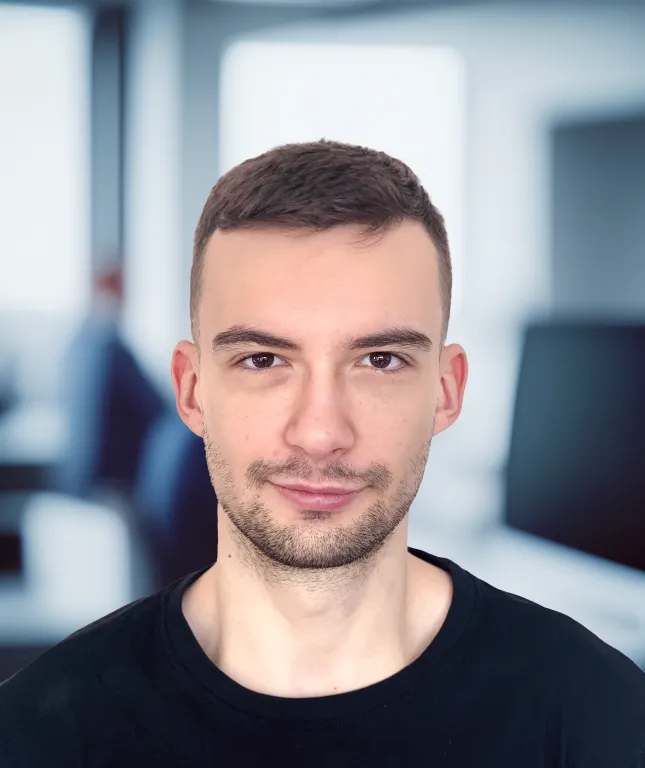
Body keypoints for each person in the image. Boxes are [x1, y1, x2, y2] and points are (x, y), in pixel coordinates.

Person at [1, 140, 643, 767]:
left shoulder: (598, 716)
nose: (319, 432)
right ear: (193, 391)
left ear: (446, 392)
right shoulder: (36, 735)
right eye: (263, 360)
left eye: (380, 360)